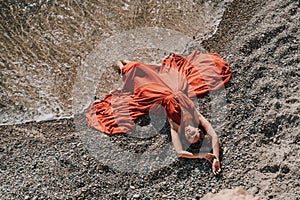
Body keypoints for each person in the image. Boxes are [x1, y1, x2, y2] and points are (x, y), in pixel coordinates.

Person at [86, 50, 231, 175]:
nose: (188, 132)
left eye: (188, 137)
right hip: (169, 87)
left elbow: (180, 152)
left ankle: (119, 65)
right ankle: (124, 63)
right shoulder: (196, 116)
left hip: (156, 96)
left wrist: (202, 156)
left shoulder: (176, 127)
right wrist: (216, 157)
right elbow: (214, 135)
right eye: (193, 133)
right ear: (199, 131)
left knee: (137, 78)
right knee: (139, 67)